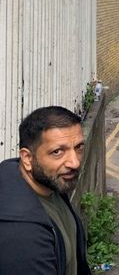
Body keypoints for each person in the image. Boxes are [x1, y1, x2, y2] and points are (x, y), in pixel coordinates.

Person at [0, 106, 91, 274]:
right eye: (57, 152)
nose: (74, 162)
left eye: (78, 147)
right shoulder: (22, 236)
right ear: (27, 158)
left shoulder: (52, 184)